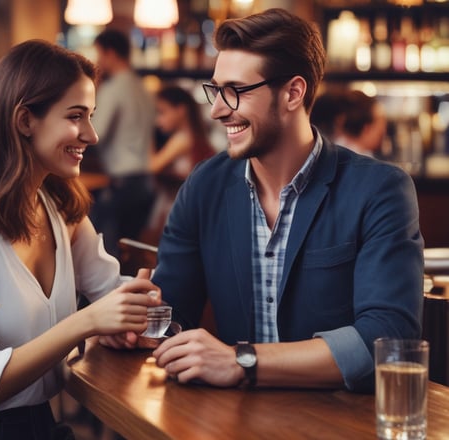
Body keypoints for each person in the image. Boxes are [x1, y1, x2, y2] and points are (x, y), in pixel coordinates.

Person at [102, 8, 423, 393]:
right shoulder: (204, 185)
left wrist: (243, 361)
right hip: (236, 420)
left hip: (341, 421)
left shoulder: (379, 189)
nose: (218, 109)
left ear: (293, 92)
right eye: (216, 90)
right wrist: (139, 326)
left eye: (235, 91)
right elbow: (176, 315)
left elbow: (386, 338)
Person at [0, 40, 161, 439]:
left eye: (91, 116)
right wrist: (88, 322)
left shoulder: (58, 207)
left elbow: (108, 290)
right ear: (25, 120)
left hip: (38, 423)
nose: (92, 135)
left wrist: (136, 308)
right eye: (76, 116)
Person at [89, 28, 156, 257]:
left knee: (105, 252)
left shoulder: (114, 89)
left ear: (110, 53)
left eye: (99, 54)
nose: (98, 61)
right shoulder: (142, 87)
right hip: (145, 182)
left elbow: (95, 133)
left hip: (122, 183)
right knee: (130, 251)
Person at [143, 84, 216, 244]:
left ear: (181, 110)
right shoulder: (194, 136)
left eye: (162, 112)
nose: (158, 120)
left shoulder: (182, 139)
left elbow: (153, 166)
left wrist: (147, 132)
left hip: (175, 204)